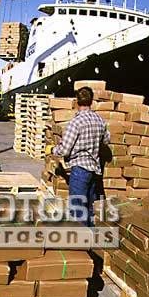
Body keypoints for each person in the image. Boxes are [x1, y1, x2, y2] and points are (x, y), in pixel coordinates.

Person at [45, 86, 110, 227]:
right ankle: (92, 243)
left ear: (76, 102)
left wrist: (52, 149)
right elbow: (106, 141)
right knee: (90, 208)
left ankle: (80, 245)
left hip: (80, 170)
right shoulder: (100, 121)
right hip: (95, 170)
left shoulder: (76, 123)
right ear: (91, 101)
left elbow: (65, 150)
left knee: (78, 209)